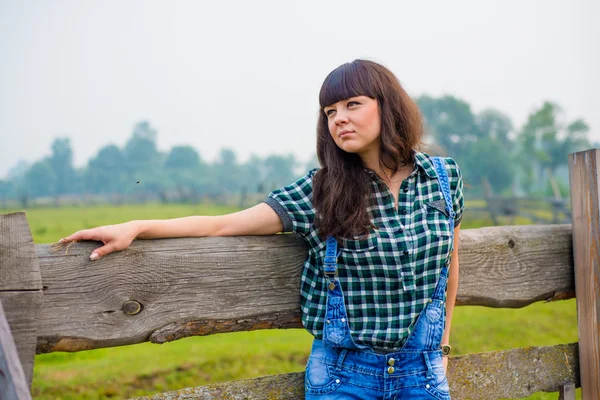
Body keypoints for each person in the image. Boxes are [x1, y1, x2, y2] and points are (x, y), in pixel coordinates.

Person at [60, 59, 464, 399]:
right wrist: (137, 226)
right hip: (345, 377)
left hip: (423, 373)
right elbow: (224, 224)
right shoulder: (320, 190)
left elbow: (450, 264)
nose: (339, 118)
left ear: (387, 105)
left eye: (352, 104)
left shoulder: (443, 178)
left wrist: (442, 347)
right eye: (330, 112)